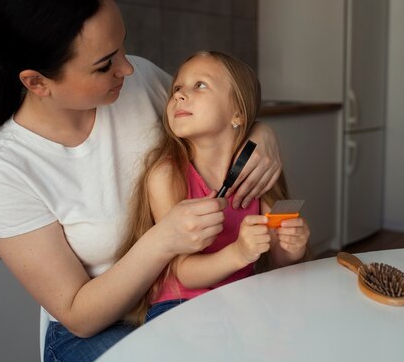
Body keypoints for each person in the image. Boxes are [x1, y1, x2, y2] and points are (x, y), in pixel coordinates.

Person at [0, 0, 283, 362]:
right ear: (38, 83)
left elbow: (218, 114)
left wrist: (260, 132)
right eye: (105, 64)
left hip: (191, 302)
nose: (127, 67)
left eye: (122, 47)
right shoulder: (5, 169)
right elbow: (79, 314)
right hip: (103, 326)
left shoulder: (140, 81)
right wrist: (165, 238)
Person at [116, 51, 310, 324]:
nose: (180, 95)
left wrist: (292, 247)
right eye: (177, 89)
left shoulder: (256, 171)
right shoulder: (167, 176)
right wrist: (239, 253)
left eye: (200, 85)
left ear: (238, 113)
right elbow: (183, 271)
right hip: (180, 304)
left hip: (241, 298)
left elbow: (278, 260)